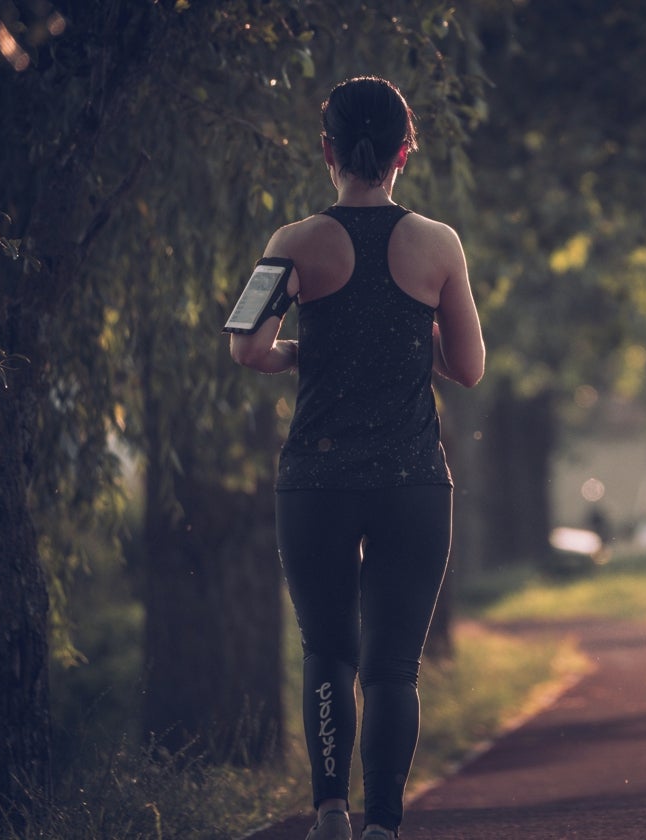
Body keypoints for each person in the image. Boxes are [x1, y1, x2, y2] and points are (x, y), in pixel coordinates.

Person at [230, 76, 485, 840]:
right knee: (393, 668)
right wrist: (406, 335)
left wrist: (317, 348)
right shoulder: (438, 244)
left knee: (328, 652)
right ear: (406, 149)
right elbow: (468, 368)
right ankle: (384, 825)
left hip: (316, 478)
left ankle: (330, 812)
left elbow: (248, 348)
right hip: (411, 479)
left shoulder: (292, 242)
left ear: (328, 149)